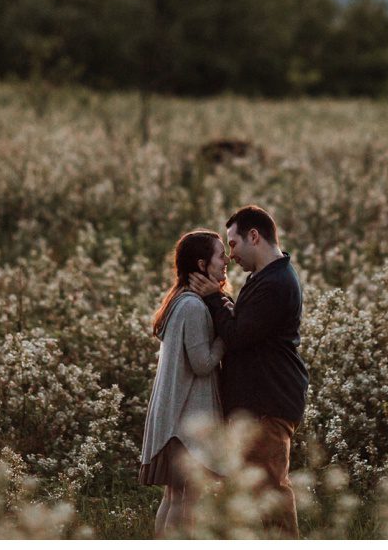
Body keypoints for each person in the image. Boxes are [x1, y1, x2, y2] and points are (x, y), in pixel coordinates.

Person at [188, 205, 308, 538]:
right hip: (259, 402)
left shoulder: (276, 283)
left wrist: (214, 297)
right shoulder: (265, 277)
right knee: (250, 498)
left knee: (271, 496)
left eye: (234, 244)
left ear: (254, 236)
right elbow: (244, 326)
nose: (231, 255)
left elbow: (239, 335)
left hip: (268, 403)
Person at [139, 229, 230, 537]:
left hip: (175, 420)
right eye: (220, 255)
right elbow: (203, 363)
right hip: (185, 425)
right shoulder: (192, 307)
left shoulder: (180, 301)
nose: (226, 260)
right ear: (203, 265)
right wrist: (225, 335)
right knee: (186, 500)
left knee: (173, 497)